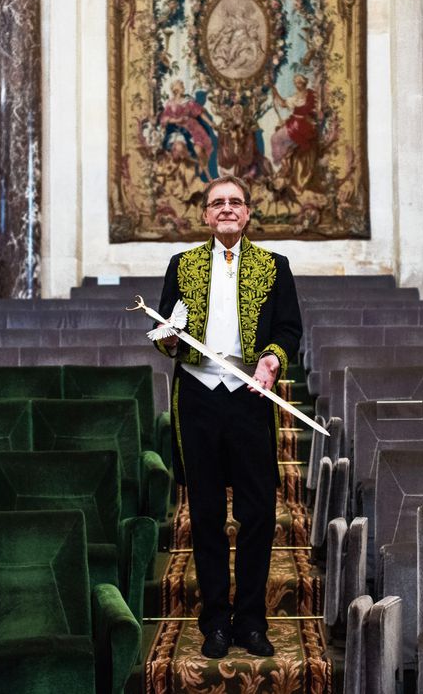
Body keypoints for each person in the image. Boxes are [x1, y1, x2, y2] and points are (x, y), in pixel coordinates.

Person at [154, 174, 302, 659]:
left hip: (248, 398)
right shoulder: (183, 264)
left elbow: (288, 328)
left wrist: (272, 359)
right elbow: (164, 330)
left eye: (235, 202)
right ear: (204, 214)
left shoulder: (273, 266)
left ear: (247, 211)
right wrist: (170, 340)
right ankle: (215, 622)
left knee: (257, 515)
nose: (226, 209)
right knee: (208, 515)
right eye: (217, 203)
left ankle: (252, 621)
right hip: (198, 398)